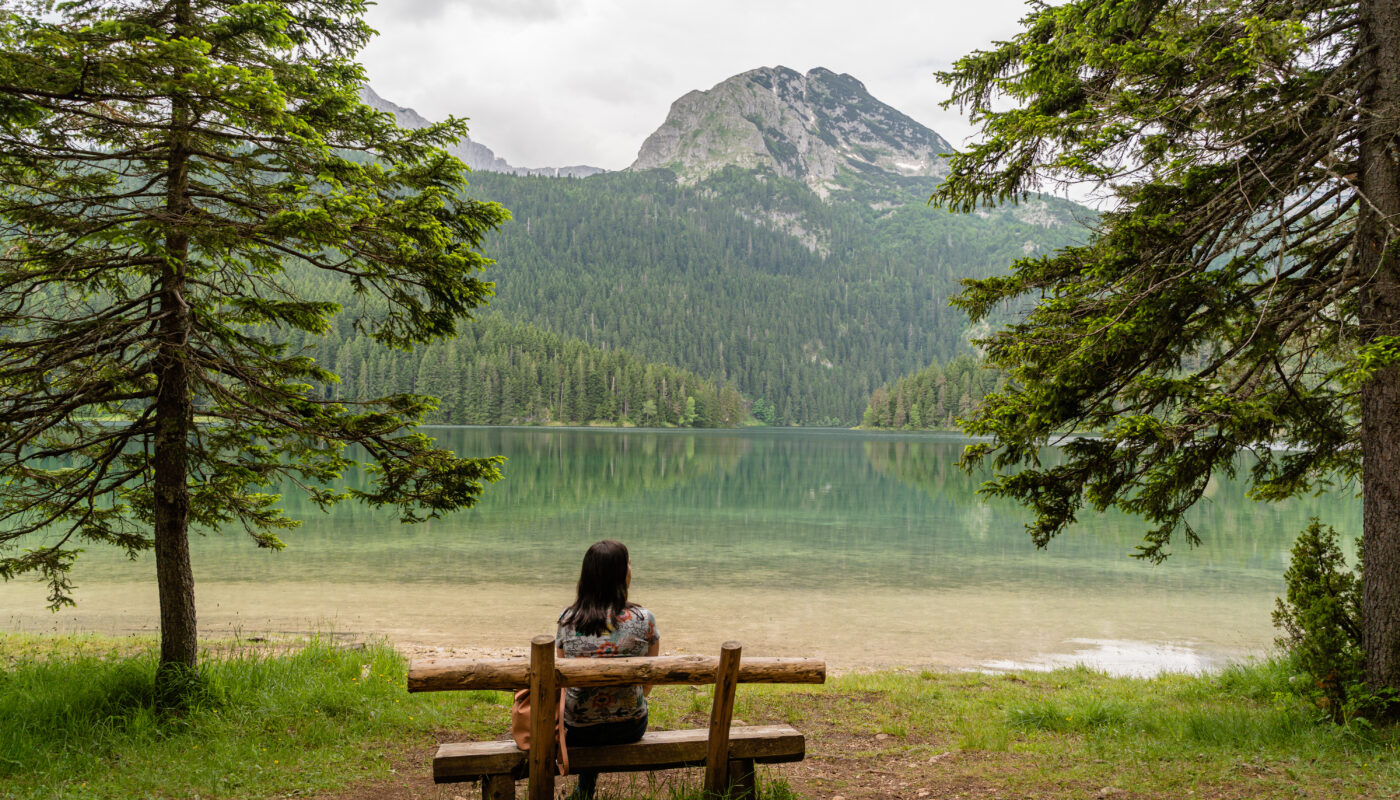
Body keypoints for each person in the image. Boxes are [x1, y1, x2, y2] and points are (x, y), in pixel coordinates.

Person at [556, 539, 660, 799]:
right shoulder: (644, 619)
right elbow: (648, 684)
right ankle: (584, 790)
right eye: (629, 564)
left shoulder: (567, 620)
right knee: (616, 707)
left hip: (577, 729)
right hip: (630, 726)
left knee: (587, 707)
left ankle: (584, 790)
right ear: (622, 574)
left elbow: (562, 683)